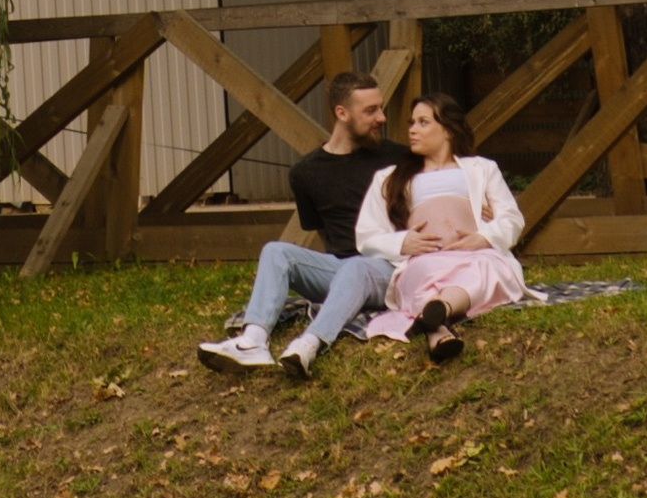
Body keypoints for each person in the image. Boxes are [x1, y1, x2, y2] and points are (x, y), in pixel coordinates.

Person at [199, 67, 400, 380]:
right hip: (341, 267)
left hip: (388, 269)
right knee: (276, 251)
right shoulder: (305, 173)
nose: (382, 118)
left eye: (381, 108)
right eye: (371, 110)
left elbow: (449, 171)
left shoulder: (397, 158)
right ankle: (253, 341)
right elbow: (324, 234)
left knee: (358, 267)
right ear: (342, 113)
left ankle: (310, 343)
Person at [356, 92, 524, 361]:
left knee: (487, 268)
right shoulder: (389, 178)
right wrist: (403, 243)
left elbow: (512, 219)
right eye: (411, 123)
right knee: (423, 277)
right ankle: (439, 319)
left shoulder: (481, 169)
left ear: (447, 130)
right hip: (425, 259)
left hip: (474, 254)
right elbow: (366, 235)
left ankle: (438, 319)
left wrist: (483, 237)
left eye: (423, 122)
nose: (412, 130)